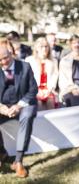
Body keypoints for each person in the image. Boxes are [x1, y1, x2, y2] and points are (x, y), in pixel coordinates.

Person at [0, 46, 37, 178]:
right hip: (3, 105)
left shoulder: (25, 67)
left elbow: (33, 90)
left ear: (11, 54)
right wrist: (1, 107)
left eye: (5, 58)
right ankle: (1, 152)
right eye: (0, 60)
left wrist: (18, 106)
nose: (3, 62)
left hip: (24, 103)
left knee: (27, 117)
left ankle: (19, 160)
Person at [25, 37, 59, 110]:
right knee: (38, 104)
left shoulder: (53, 61)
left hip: (49, 90)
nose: (44, 49)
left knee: (50, 103)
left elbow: (54, 76)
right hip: (35, 90)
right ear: (36, 48)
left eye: (46, 46)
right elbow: (28, 78)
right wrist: (37, 90)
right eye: (41, 46)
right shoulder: (29, 60)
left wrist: (49, 90)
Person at [58, 35, 79, 107]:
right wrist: (72, 89)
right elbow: (63, 79)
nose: (77, 45)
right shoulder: (65, 60)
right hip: (69, 89)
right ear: (70, 45)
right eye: (74, 43)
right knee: (72, 99)